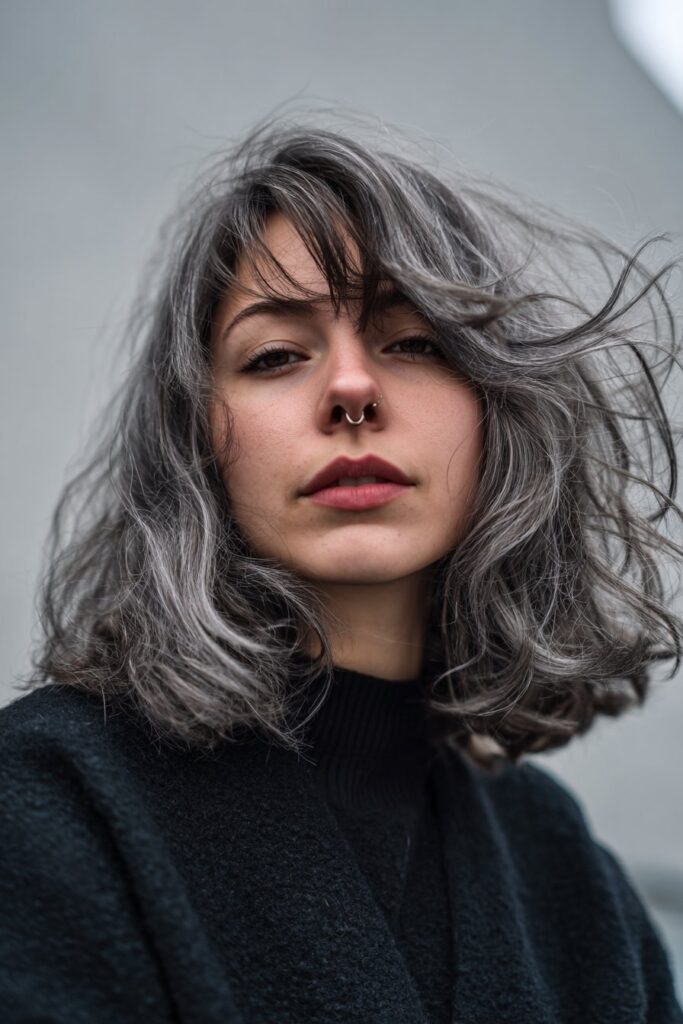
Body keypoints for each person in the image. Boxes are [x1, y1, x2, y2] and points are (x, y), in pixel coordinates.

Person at [1, 109, 682, 1023]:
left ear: (497, 411)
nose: (351, 389)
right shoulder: (47, 800)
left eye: (414, 342)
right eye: (276, 355)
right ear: (198, 440)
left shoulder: (569, 880)